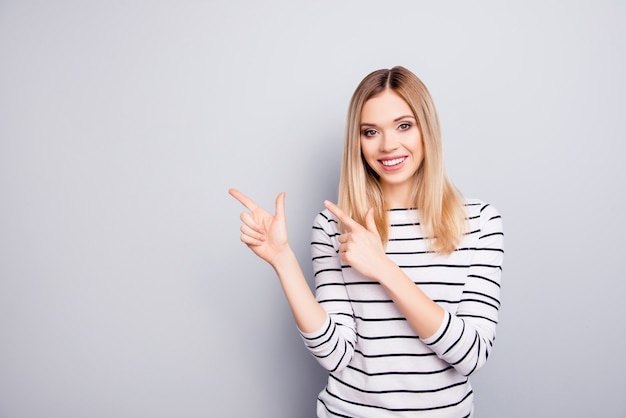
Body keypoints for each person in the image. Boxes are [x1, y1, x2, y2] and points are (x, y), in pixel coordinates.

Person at [229, 66, 504, 417]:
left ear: (427, 129)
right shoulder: (334, 226)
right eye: (370, 132)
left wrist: (384, 269)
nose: (388, 145)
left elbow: (470, 355)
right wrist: (283, 259)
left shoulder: (479, 222)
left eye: (404, 125)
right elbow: (335, 354)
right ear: (357, 142)